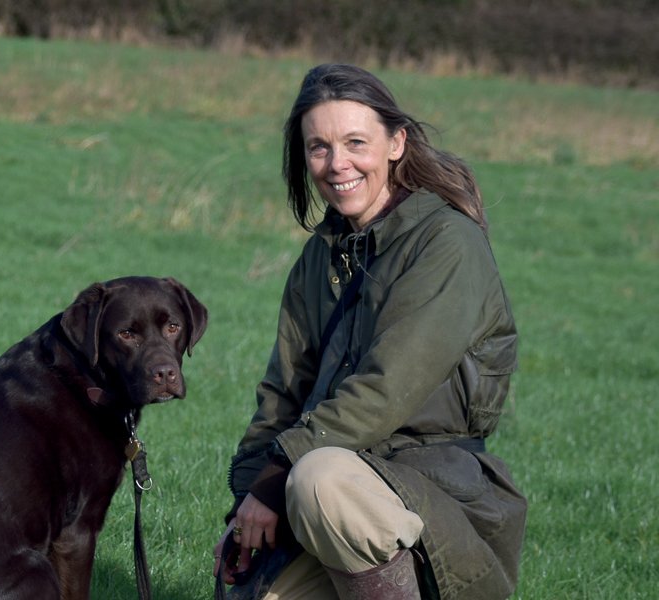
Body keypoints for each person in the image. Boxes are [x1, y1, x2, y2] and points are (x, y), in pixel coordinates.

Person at [212, 64, 527, 599]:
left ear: (396, 143)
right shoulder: (320, 258)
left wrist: (277, 480)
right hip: (339, 488)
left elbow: (387, 388)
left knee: (320, 478)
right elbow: (281, 395)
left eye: (356, 142)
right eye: (319, 147)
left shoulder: (447, 243)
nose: (338, 165)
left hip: (436, 488)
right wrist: (246, 505)